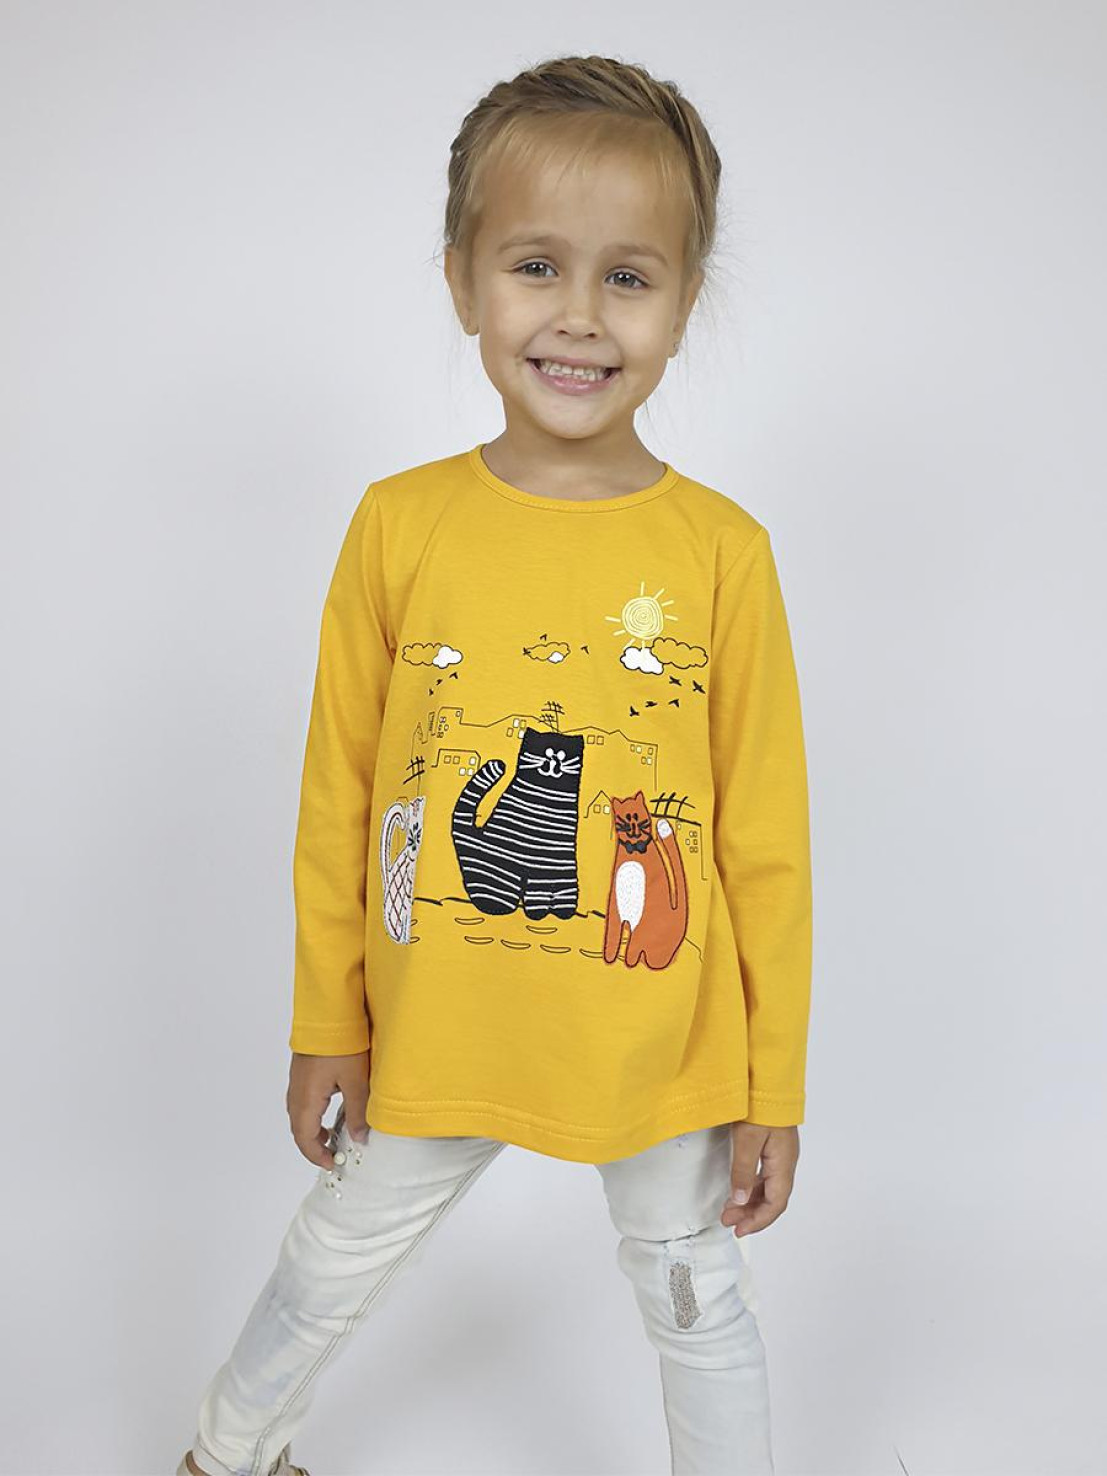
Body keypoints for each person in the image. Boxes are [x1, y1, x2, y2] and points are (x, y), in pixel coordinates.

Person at [177, 51, 812, 1476]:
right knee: (333, 1258)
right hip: (438, 1022)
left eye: (628, 277)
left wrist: (773, 1081)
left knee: (696, 1300)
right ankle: (226, 1451)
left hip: (660, 1042)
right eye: (536, 266)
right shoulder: (398, 526)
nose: (579, 316)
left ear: (684, 305)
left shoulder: (724, 553)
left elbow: (766, 841)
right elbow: (340, 794)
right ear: (465, 281)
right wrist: (327, 1017)